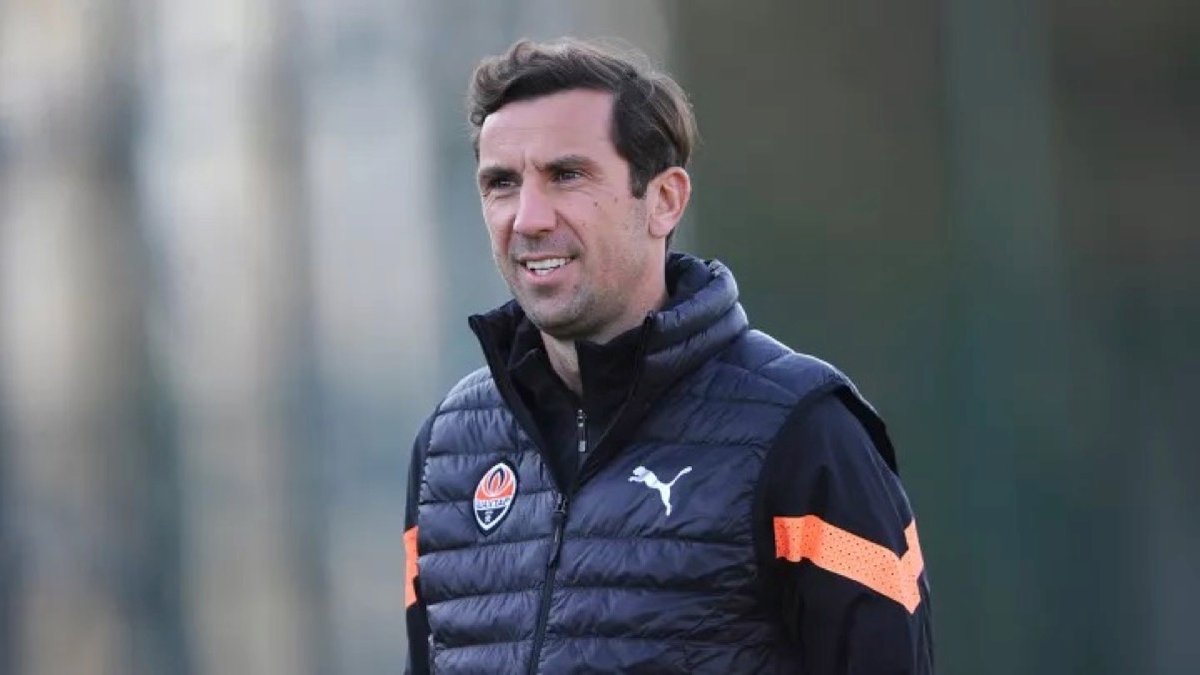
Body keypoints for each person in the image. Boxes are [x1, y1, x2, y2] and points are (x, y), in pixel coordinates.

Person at [404, 37, 934, 674]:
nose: (529, 218)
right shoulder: (448, 451)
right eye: (502, 184)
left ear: (665, 200)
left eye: (566, 175)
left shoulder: (803, 431)